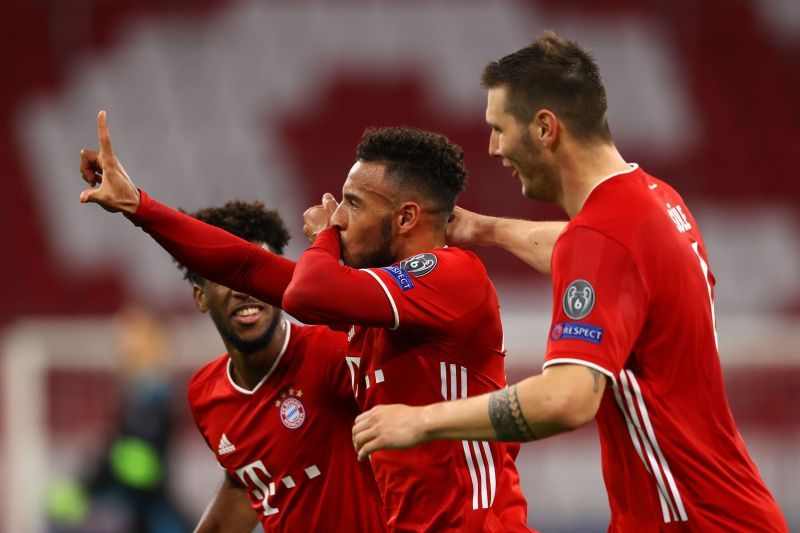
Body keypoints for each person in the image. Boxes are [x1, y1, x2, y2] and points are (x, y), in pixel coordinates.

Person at [351, 32, 789, 532]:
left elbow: (566, 399)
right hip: (721, 512)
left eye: (499, 128)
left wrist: (422, 420)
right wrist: (487, 229)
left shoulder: (602, 239)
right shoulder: (656, 202)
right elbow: (585, 249)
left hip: (693, 521)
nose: (493, 148)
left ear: (544, 128)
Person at [78, 117, 556, 531]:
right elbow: (246, 269)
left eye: (354, 204)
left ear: (406, 217)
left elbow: (307, 293)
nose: (340, 217)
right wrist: (140, 207)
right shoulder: (370, 308)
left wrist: (325, 237)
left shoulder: (453, 276)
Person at [172, 200, 386, 531]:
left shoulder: (335, 354)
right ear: (200, 297)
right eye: (226, 274)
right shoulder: (204, 394)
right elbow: (249, 481)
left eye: (257, 272)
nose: (244, 289)